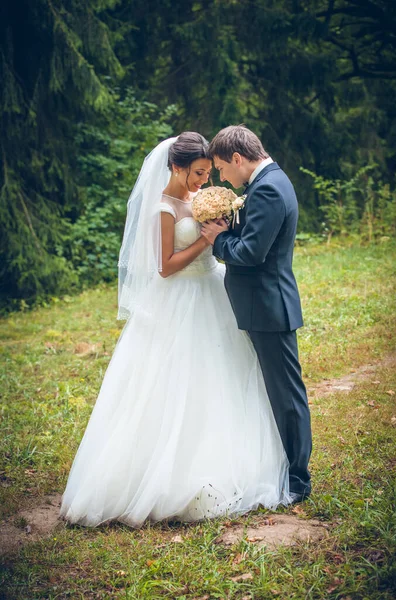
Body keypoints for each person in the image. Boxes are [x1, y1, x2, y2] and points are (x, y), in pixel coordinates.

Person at [60, 132, 291, 528]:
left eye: (208, 173)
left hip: (212, 292)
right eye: (199, 173)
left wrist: (222, 230)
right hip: (179, 300)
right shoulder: (163, 208)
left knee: (222, 378)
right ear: (176, 167)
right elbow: (165, 266)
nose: (205, 181)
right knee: (173, 384)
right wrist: (207, 241)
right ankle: (161, 477)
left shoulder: (196, 199)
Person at [201, 125, 312, 503]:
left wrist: (218, 239)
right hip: (263, 306)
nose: (221, 178)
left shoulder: (265, 188)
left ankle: (297, 480)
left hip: (269, 307)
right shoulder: (268, 182)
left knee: (286, 395)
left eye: (220, 168)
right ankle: (284, 467)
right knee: (277, 391)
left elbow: (250, 253)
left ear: (237, 158)